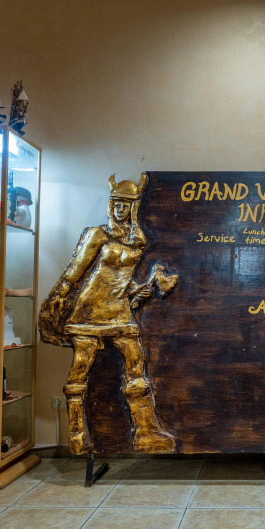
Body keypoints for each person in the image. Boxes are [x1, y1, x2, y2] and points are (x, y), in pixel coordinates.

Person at [39, 174, 177, 454]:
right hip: (89, 310)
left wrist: (139, 289)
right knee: (80, 369)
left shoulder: (137, 241)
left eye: (126, 205)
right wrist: (59, 297)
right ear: (111, 204)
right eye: (117, 204)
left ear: (133, 208)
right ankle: (77, 436)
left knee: (136, 363)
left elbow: (122, 278)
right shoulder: (98, 234)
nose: (120, 209)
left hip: (119, 309)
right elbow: (75, 272)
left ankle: (145, 433)